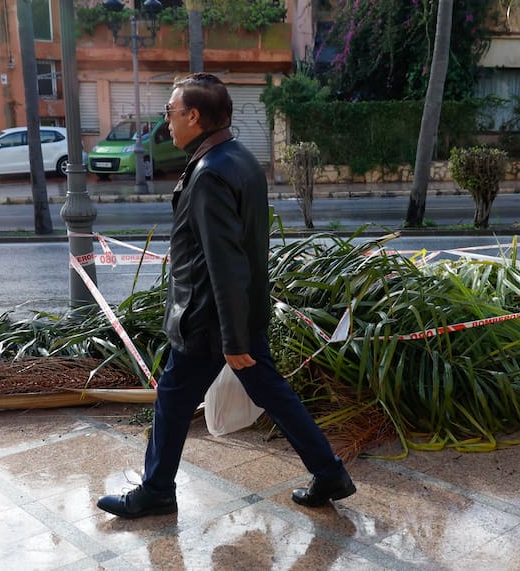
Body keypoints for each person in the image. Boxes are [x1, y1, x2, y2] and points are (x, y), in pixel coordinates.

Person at [96, 73, 355, 519]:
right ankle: (329, 473)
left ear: (194, 116)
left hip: (209, 320)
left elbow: (225, 262)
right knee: (272, 393)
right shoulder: (240, 159)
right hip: (236, 314)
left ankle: (157, 489)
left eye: (170, 113)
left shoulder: (211, 174)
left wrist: (232, 340)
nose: (166, 122)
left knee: (174, 399)